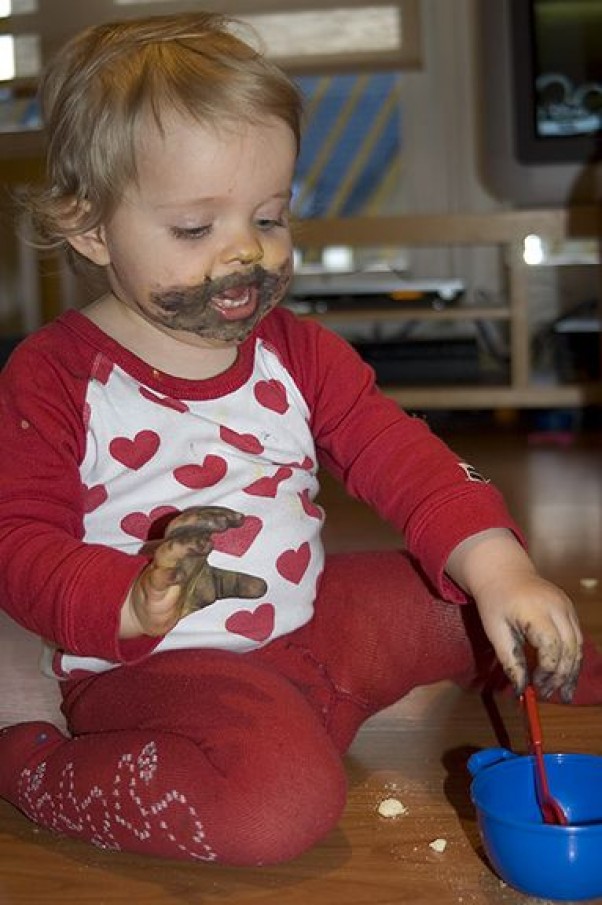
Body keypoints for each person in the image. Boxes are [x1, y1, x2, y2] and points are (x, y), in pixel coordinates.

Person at [0, 11, 599, 867]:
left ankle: (552, 656)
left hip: (310, 632)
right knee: (279, 806)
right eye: (196, 229)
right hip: (158, 677)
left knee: (459, 594)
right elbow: (15, 542)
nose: (244, 252)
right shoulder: (55, 376)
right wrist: (129, 599)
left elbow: (402, 455)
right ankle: (38, 769)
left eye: (271, 217)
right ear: (92, 227)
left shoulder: (299, 351)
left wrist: (503, 568)